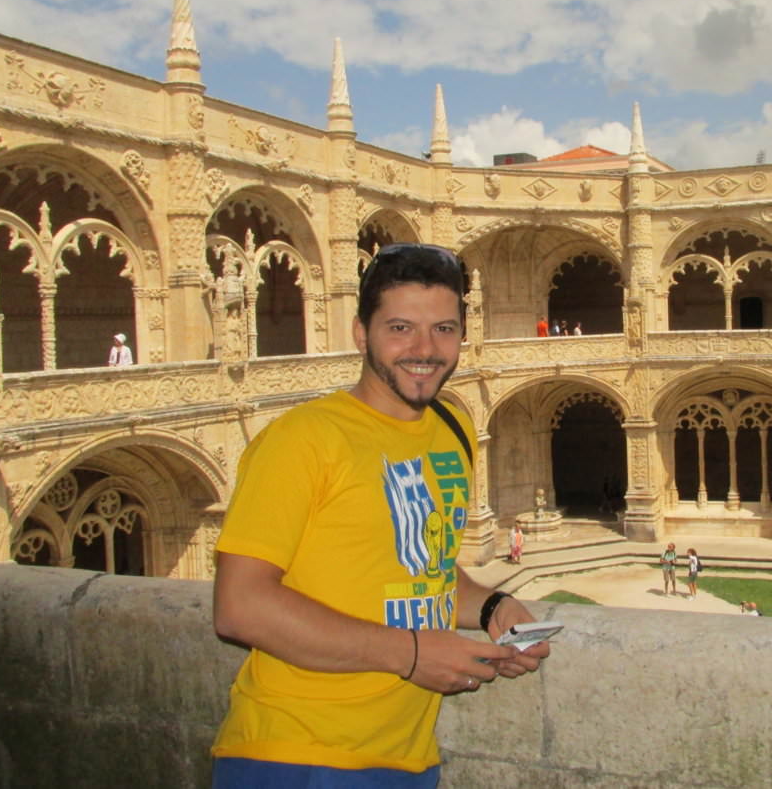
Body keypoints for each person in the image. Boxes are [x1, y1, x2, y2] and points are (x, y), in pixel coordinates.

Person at [211, 243, 550, 788]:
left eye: (443, 329)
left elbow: (421, 568)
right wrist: (411, 654)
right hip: (294, 756)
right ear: (360, 333)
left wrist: (491, 606)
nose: (424, 349)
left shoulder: (452, 430)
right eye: (400, 328)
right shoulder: (302, 439)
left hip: (407, 758)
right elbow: (238, 607)